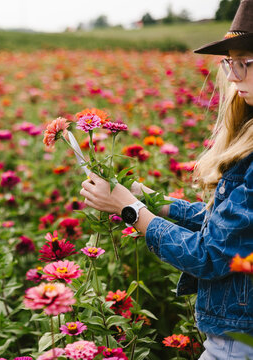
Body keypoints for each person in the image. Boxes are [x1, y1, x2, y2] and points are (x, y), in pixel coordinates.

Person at [80, 1, 253, 359]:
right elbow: (230, 230)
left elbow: (209, 255)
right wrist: (151, 199)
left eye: (244, 63)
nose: (234, 77)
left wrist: (131, 209)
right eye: (229, 63)